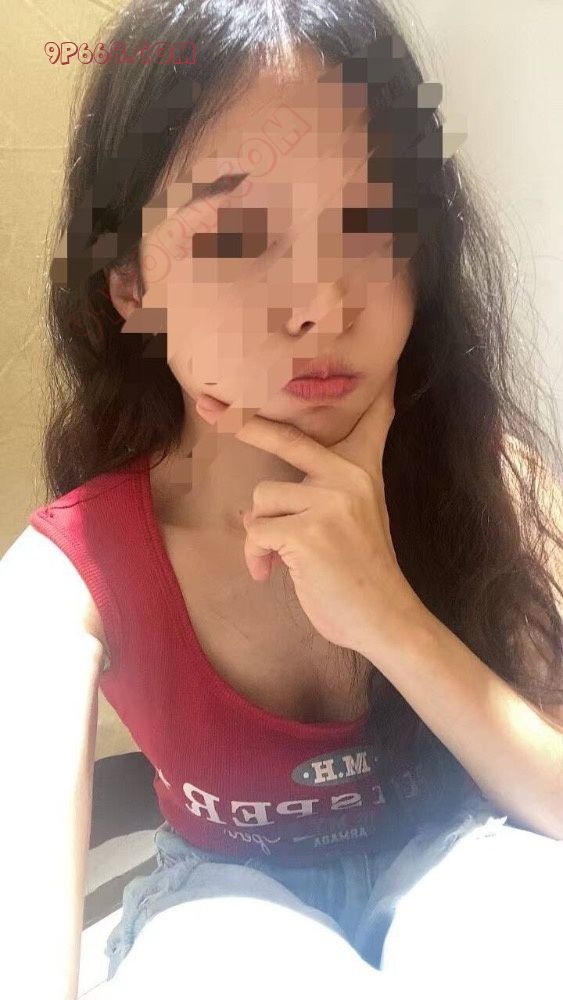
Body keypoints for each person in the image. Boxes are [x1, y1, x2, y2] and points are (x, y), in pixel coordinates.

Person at [2, 2, 562, 998]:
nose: (319, 303)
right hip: (219, 898)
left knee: (510, 914)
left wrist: (387, 614)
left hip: (462, 855)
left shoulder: (491, 482)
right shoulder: (70, 576)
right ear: (128, 282)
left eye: (368, 222)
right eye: (235, 234)